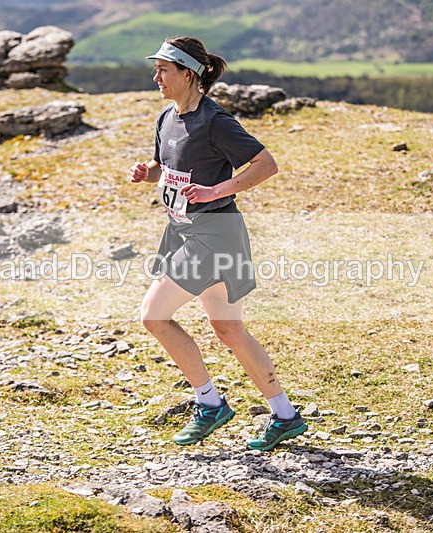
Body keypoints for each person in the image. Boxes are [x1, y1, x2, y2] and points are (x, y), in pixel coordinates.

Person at [128, 36, 307, 451]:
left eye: (163, 70)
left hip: (215, 234)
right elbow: (167, 168)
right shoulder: (166, 118)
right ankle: (285, 415)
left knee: (153, 317)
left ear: (188, 73)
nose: (156, 77)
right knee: (227, 328)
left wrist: (216, 191)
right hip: (189, 233)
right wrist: (147, 173)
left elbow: (266, 164)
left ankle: (209, 404)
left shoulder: (216, 120)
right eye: (156, 70)